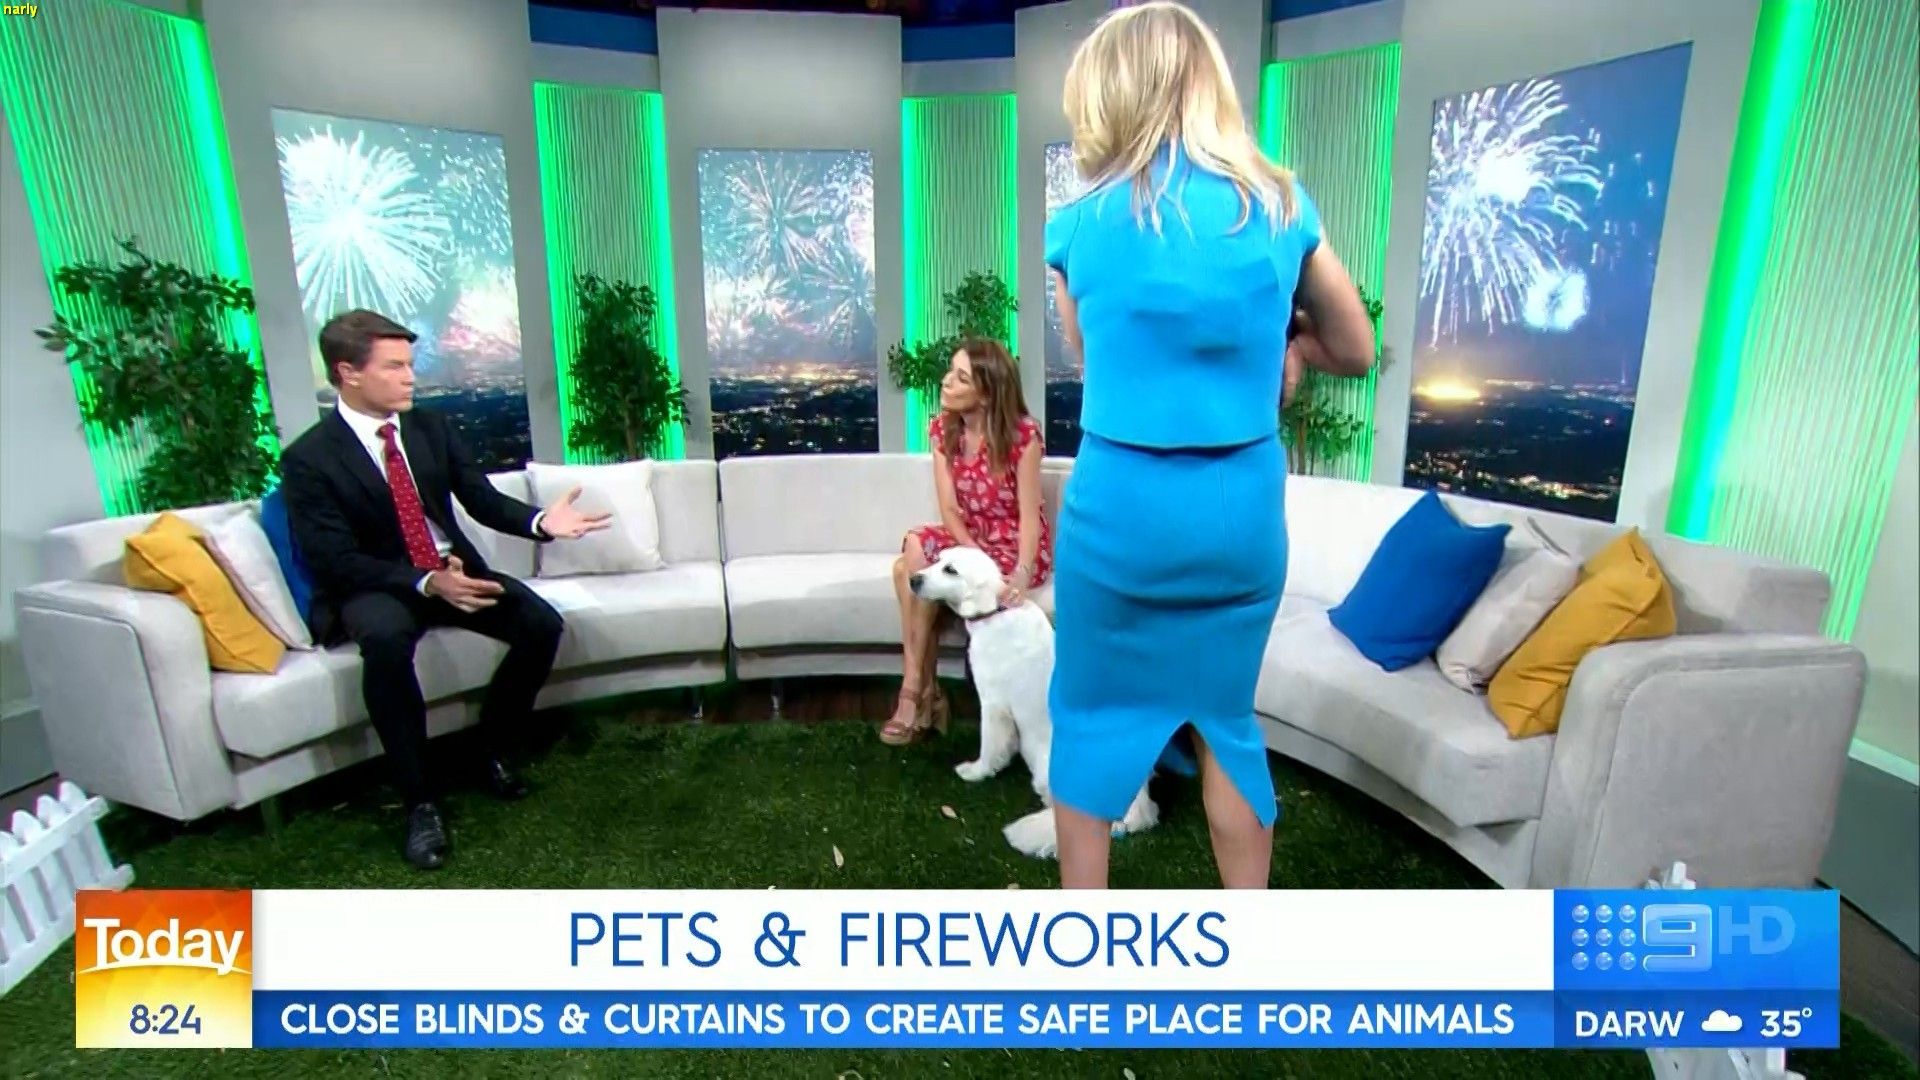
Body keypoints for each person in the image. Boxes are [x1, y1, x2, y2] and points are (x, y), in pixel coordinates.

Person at [1043, 2, 1377, 889]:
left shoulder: (1078, 224)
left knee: (1088, 722)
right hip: (1238, 518)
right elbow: (1356, 348)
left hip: (1120, 517)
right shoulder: (1281, 206)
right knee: (1228, 724)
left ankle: (1079, 935)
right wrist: (1290, 346)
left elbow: (1092, 356)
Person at [280, 309, 611, 870]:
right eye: (394, 367)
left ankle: (490, 750)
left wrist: (540, 522)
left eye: (410, 365)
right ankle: (420, 803)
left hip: (451, 567)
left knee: (540, 624)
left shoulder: (429, 428)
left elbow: (480, 498)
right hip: (377, 583)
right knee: (385, 643)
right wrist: (426, 581)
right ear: (348, 373)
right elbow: (334, 559)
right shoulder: (309, 458)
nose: (410, 377)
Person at [882, 338, 1052, 745]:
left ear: (987, 393)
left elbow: (1030, 516)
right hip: (967, 535)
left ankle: (921, 698)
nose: (946, 382)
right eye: (950, 372)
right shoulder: (944, 429)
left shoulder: (1023, 436)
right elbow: (950, 510)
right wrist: (971, 558)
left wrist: (1021, 572)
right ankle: (917, 687)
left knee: (905, 571)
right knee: (914, 548)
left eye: (961, 378)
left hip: (1011, 542)